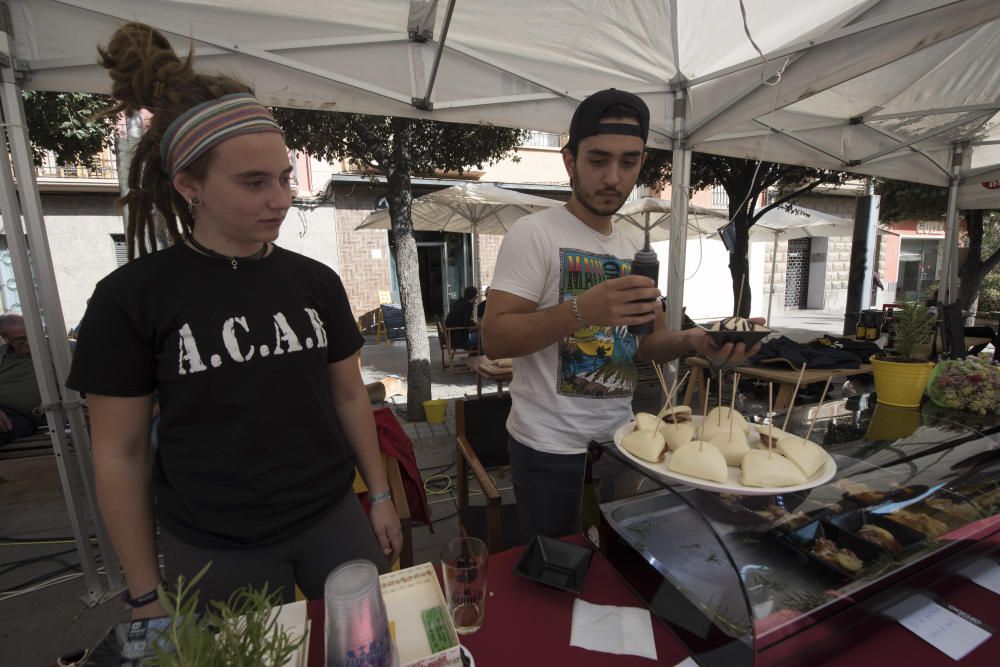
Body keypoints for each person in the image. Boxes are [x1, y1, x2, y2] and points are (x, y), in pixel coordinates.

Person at [66, 23, 401, 620]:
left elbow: (349, 396)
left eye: (281, 177)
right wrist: (144, 590)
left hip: (332, 518)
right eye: (253, 183)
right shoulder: (130, 298)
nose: (280, 198)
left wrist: (378, 495)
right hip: (214, 545)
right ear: (189, 184)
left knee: (367, 648)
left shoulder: (314, 280)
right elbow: (118, 453)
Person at [481, 89, 763, 541]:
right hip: (549, 448)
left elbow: (647, 342)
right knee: (557, 566)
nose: (613, 177)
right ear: (569, 160)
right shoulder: (533, 234)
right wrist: (581, 311)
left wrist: (695, 342)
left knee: (617, 558)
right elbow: (494, 338)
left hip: (626, 439)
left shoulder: (633, 247)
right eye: (598, 160)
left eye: (629, 162)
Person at [0, 313, 45, 443]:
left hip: (25, 419)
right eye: (21, 340)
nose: (30, 343)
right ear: (5, 337)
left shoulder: (60, 350)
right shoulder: (2, 355)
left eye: (35, 336)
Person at [444, 285, 479, 350]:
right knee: (481, 336)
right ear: (473, 297)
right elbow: (465, 322)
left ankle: (472, 355)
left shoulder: (459, 302)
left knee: (476, 332)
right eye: (476, 296)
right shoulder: (468, 305)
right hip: (458, 340)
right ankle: (476, 357)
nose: (476, 298)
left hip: (451, 336)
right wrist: (475, 324)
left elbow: (461, 320)